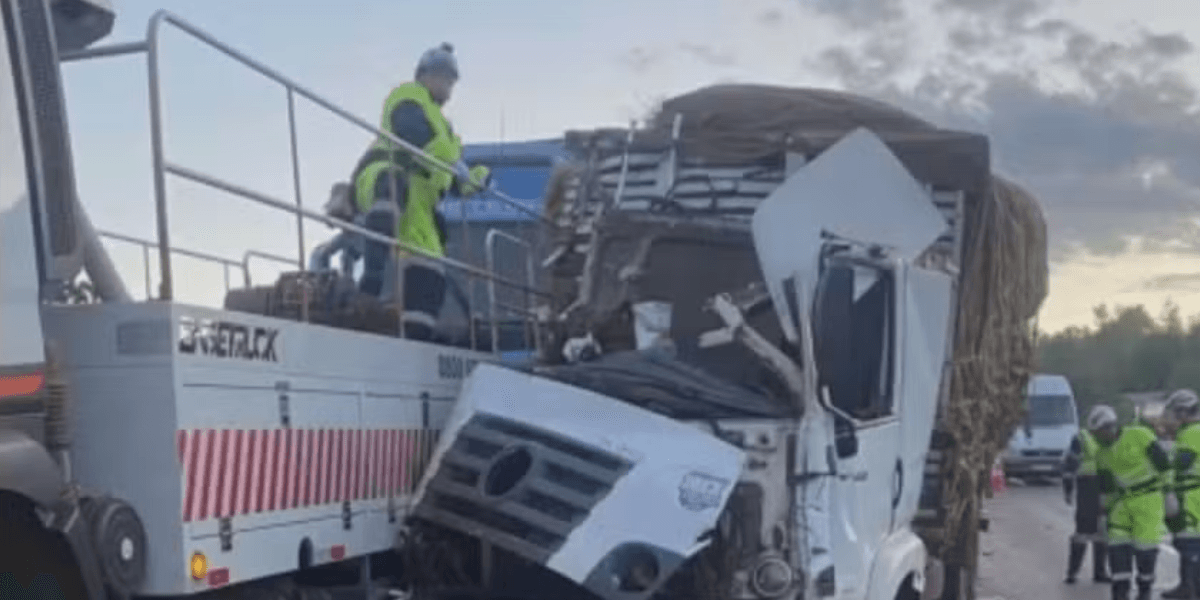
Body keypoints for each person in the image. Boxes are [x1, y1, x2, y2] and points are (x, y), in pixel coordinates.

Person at [349, 42, 491, 340]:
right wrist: (452, 162)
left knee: (431, 274)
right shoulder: (408, 95)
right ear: (424, 75)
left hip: (420, 209)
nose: (447, 84)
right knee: (392, 188)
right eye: (442, 75)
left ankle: (417, 337)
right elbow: (413, 131)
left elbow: (453, 181)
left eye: (451, 79)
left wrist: (477, 178)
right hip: (383, 176)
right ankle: (370, 286)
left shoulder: (449, 133)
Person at [1091, 403, 1172, 600]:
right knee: (1117, 549)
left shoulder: (1138, 435)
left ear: (1110, 427)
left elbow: (1163, 464)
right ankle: (1120, 592)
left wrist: (1169, 493)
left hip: (1148, 500)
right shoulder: (1101, 453)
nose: (1097, 438)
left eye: (1099, 433)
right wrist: (1103, 514)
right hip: (1121, 504)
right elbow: (1106, 487)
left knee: (1146, 551)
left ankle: (1144, 591)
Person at [1063, 411, 1111, 584]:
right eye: (1106, 426)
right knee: (1082, 531)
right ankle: (1072, 573)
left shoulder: (1110, 440)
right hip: (1087, 488)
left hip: (1104, 488)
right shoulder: (1081, 439)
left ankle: (1100, 572)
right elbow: (1069, 465)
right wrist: (1068, 489)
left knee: (1102, 531)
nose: (1108, 430)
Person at [1163, 389, 1200, 599]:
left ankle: (1191, 589)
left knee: (1190, 544)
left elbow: (1182, 462)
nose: (1174, 416)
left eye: (1177, 412)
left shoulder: (1192, 432)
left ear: (1185, 411)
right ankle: (1186, 586)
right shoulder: (1190, 431)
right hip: (1191, 494)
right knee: (1186, 542)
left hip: (1191, 497)